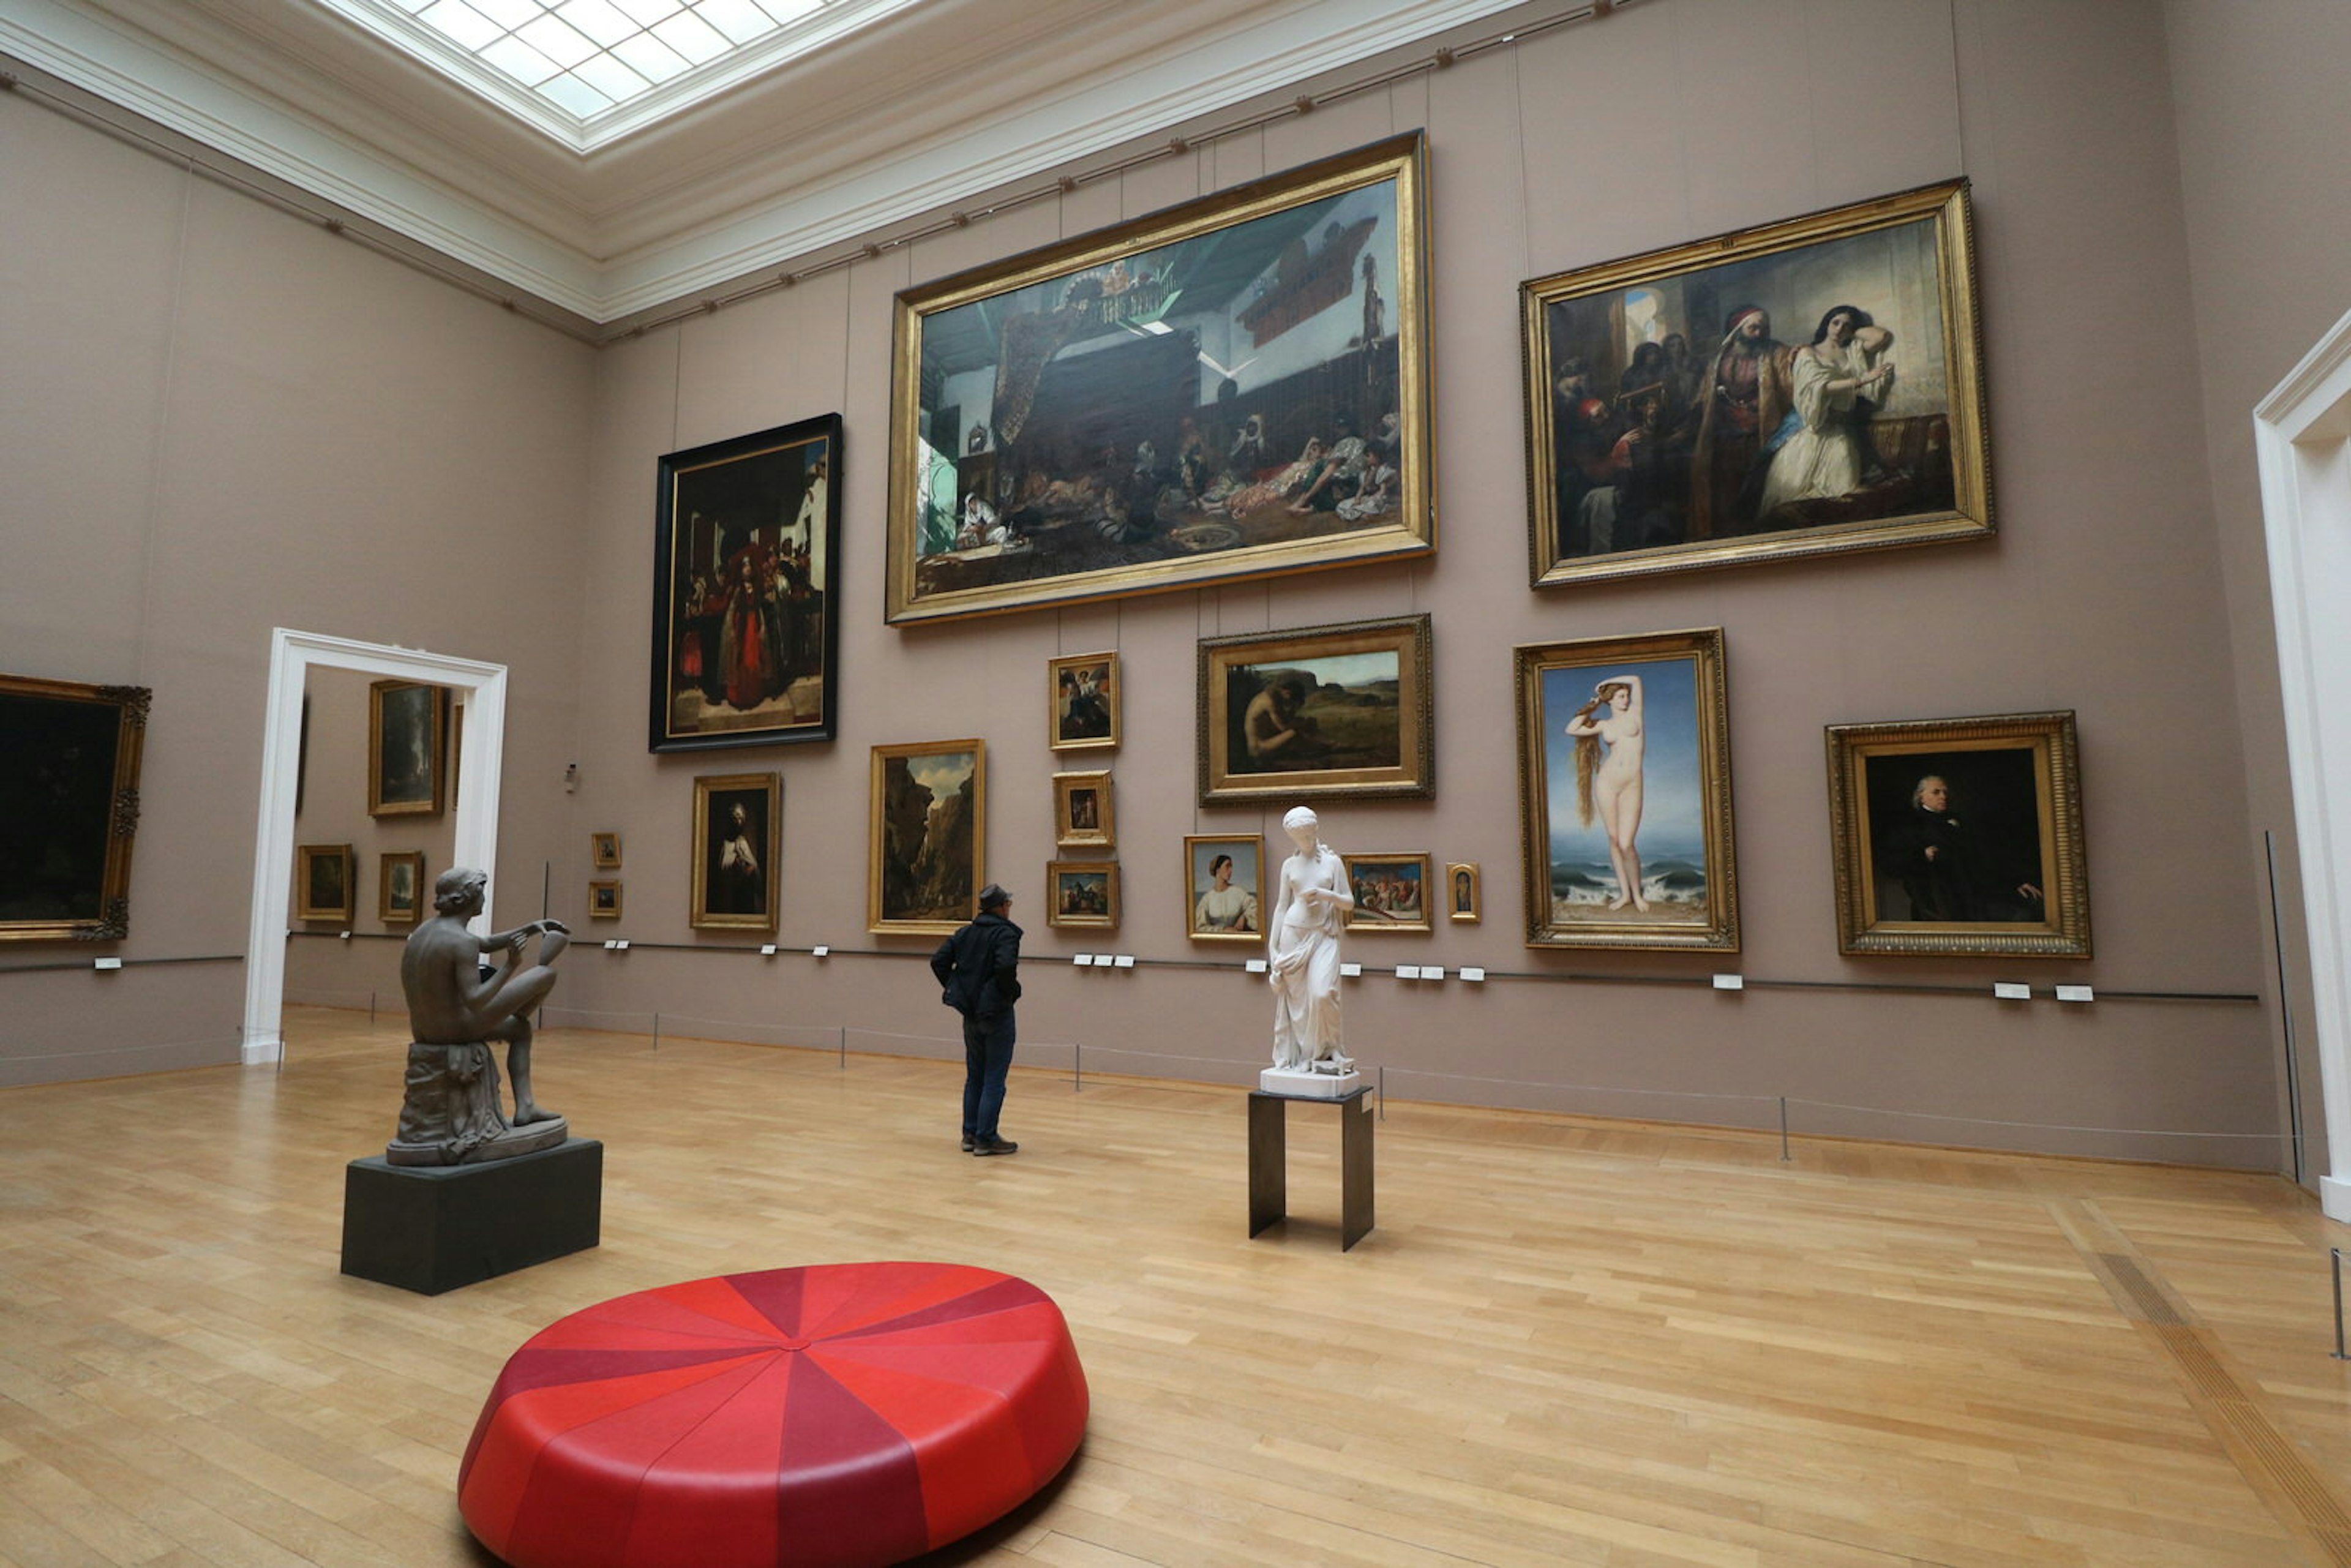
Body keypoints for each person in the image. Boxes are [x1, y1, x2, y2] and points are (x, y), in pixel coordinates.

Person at [400, 867, 568, 1127]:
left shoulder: (425, 931)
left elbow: (487, 943)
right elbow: (476, 1000)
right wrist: (511, 965)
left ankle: (526, 1103)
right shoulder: (461, 942)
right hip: (455, 1029)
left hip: (424, 1030)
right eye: (482, 892)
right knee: (543, 977)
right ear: (470, 897)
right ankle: (525, 1106)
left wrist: (532, 928)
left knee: (517, 1026)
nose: (485, 898)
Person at [1757, 304, 1895, 514]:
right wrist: (1862, 379)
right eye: (1835, 323)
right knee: (1792, 493)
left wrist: (1854, 328)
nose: (1840, 329)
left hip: (1839, 430)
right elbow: (1820, 387)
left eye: (1846, 326)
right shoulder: (1807, 352)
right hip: (1809, 430)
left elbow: (1882, 336)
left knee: (1844, 489)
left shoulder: (1852, 352)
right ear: (1826, 324)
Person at [932, 883, 1024, 1155]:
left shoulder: (966, 933)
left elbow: (939, 961)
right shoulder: (1005, 934)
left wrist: (957, 989)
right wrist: (1009, 993)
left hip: (970, 1012)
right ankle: (986, 1137)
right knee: (994, 1076)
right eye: (1007, 904)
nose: (1009, 908)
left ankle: (970, 1134)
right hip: (996, 1012)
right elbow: (1005, 967)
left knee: (975, 1076)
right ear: (999, 907)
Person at [1687, 306, 1793, 539]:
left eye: (1762, 329)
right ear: (1737, 329)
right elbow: (1704, 395)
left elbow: (1792, 375)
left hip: (1760, 430)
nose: (1758, 334)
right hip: (1724, 433)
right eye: (1753, 328)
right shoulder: (1718, 359)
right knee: (1726, 486)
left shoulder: (1774, 354)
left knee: (1758, 483)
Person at [1880, 775, 2044, 921]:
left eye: (1945, 792)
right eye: (1936, 792)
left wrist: (2015, 882)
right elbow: (1892, 864)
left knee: (2033, 907)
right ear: (1921, 797)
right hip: (1950, 904)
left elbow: (1985, 858)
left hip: (1980, 892)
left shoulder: (1958, 821)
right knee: (2020, 916)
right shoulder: (1911, 826)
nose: (1943, 797)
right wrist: (1922, 855)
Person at [1267, 807, 1352, 1071]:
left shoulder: (1332, 862)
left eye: (1309, 834)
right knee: (1299, 1004)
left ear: (1316, 830)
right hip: (1292, 934)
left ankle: (1332, 1048)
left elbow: (1348, 903)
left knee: (1323, 993)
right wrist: (1273, 947)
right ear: (1292, 838)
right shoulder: (1289, 865)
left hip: (1323, 935)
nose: (1306, 840)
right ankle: (1308, 1055)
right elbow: (1282, 906)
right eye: (1300, 837)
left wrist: (1325, 895)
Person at [1564, 673, 1648, 912]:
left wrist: (1605, 682)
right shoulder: (1604, 725)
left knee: (1627, 843)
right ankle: (1625, 896)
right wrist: (1596, 702)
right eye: (1620, 696)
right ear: (1610, 701)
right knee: (1613, 840)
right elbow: (1571, 729)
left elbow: (1635, 679)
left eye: (1626, 696)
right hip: (1607, 783)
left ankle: (1637, 894)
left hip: (1632, 783)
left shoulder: (1636, 714)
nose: (1625, 699)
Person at [1240, 673, 1323, 768]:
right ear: (1287, 693)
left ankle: (1318, 747)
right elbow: (1283, 728)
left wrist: (1299, 721)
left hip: (1264, 744)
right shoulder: (1269, 701)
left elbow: (1284, 721)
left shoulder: (1273, 697)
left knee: (1300, 725)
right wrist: (1304, 724)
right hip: (1258, 749)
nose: (1289, 705)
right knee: (1294, 733)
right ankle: (1317, 749)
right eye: (1291, 702)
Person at [715, 801, 762, 915]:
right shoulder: (724, 844)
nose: (738, 822)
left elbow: (754, 867)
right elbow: (721, 869)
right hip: (729, 896)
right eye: (735, 818)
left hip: (746, 895)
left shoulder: (743, 842)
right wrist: (734, 864)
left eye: (741, 818)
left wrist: (750, 869)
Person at [1194, 853, 1259, 934]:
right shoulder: (1207, 899)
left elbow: (1255, 908)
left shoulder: (1239, 892)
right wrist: (1222, 930)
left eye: (1231, 867)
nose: (1231, 870)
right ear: (1218, 870)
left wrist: (1244, 917)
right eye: (1227, 866)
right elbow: (1199, 927)